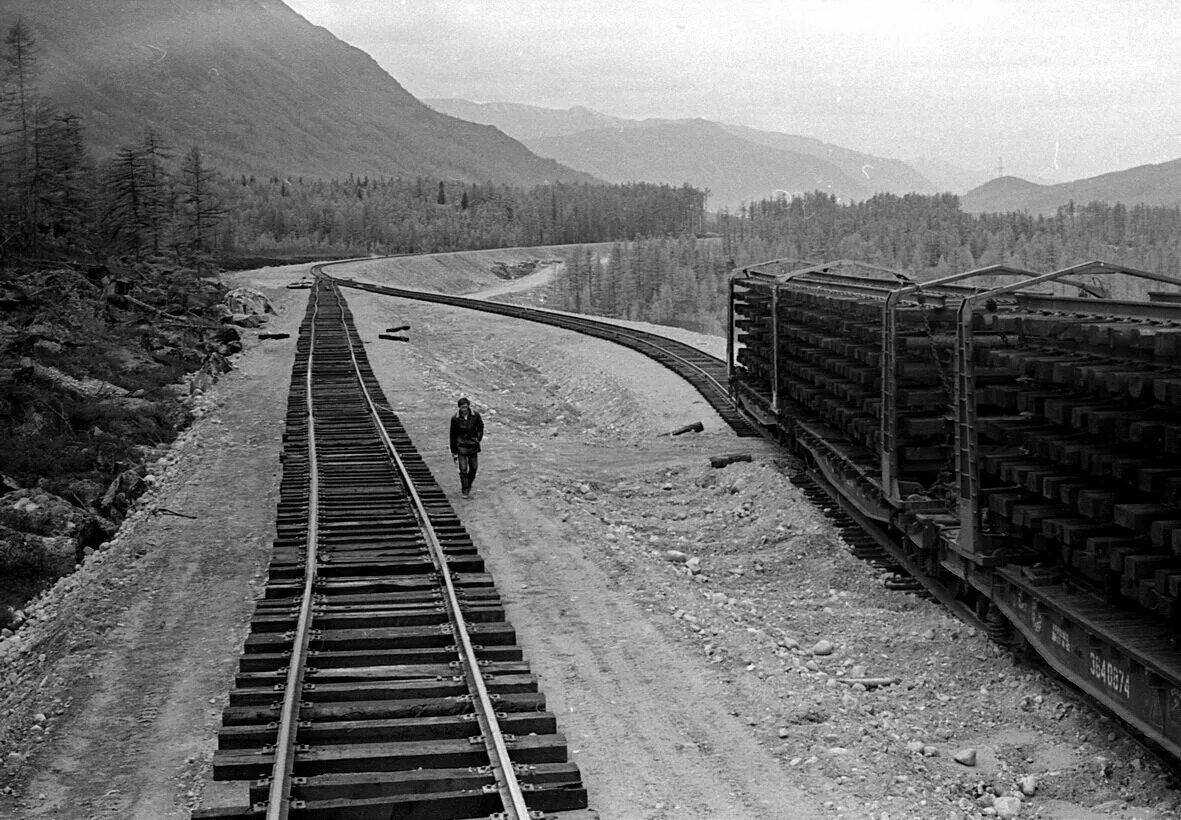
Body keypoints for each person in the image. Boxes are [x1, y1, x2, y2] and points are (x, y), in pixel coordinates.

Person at [449, 397, 484, 496]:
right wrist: (453, 450)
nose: (464, 409)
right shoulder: (455, 418)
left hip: (473, 445)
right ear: (459, 408)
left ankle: (468, 483)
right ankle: (465, 489)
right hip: (461, 447)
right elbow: (452, 435)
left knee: (474, 467)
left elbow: (480, 427)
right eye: (462, 407)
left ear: (468, 406)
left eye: (465, 407)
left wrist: (478, 439)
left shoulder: (475, 415)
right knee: (463, 469)